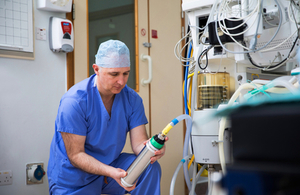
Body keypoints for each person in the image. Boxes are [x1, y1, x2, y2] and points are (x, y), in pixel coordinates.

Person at [47, 40, 167, 194]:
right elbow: (76, 156)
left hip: (111, 168)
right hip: (74, 178)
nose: (121, 81)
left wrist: (152, 150)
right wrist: (110, 172)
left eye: (126, 73)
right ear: (96, 69)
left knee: (149, 167)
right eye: (114, 74)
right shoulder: (75, 102)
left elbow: (139, 145)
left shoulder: (132, 99)